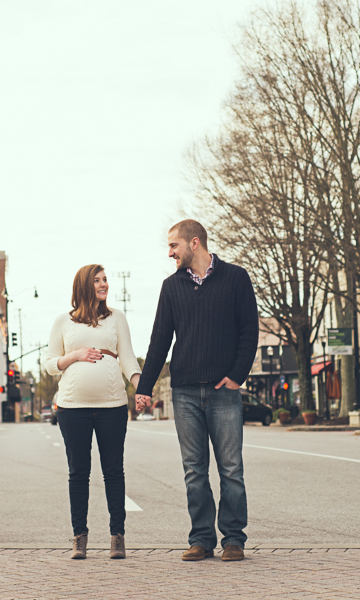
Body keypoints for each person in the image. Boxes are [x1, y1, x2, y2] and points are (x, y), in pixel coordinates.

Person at [134, 220, 258, 562]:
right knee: (194, 470)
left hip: (224, 392)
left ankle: (233, 539)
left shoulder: (236, 278)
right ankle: (201, 539)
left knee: (231, 468)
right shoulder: (171, 287)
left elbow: (249, 331)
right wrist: (144, 388)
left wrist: (237, 376)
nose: (170, 253)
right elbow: (159, 341)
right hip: (185, 392)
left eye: (173, 246)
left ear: (195, 243)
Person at [45, 264, 141, 560]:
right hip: (73, 408)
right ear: (85, 286)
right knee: (78, 473)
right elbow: (49, 365)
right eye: (98, 281)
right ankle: (79, 538)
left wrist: (141, 387)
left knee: (114, 471)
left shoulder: (116, 318)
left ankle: (117, 536)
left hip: (112, 407)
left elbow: (127, 358)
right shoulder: (64, 321)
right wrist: (74, 355)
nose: (104, 285)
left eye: (106, 280)